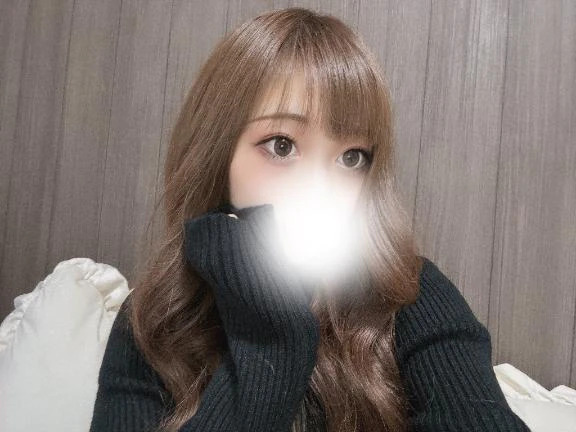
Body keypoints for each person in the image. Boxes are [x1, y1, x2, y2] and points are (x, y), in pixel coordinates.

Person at [89, 7, 530, 432]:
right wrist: (272, 340)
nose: (321, 189)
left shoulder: (408, 294)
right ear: (218, 155)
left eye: (351, 157)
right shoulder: (156, 319)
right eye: (281, 146)